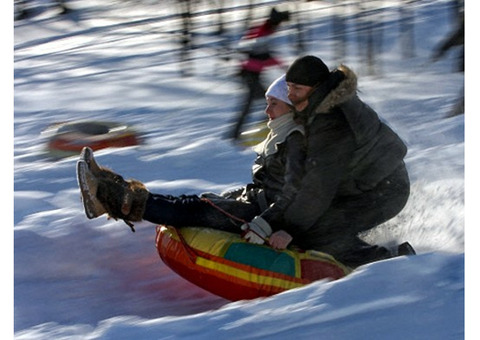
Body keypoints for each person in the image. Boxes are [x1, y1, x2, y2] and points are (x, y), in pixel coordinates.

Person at [78, 75, 306, 251]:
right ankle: (112, 189)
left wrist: (268, 224)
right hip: (258, 203)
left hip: (264, 215)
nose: (267, 111)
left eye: (274, 104)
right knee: (194, 201)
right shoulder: (281, 136)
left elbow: (293, 193)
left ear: (291, 107)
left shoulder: (294, 140)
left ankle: (109, 198)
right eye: (267, 103)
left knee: (194, 208)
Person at [264, 55, 414, 266]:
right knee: (315, 221)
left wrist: (289, 228)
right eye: (288, 87)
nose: (291, 94)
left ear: (315, 87)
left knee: (319, 231)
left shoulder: (332, 119)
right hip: (364, 182)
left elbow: (319, 184)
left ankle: (392, 261)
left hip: (386, 189)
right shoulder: (319, 105)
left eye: (296, 88)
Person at [230, 7, 290, 140]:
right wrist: (282, 65)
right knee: (267, 103)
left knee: (251, 104)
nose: (279, 27)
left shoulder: (264, 30)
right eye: (279, 24)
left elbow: (263, 56)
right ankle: (263, 131)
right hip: (249, 73)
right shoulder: (263, 32)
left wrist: (281, 65)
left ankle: (236, 134)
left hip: (251, 73)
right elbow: (262, 55)